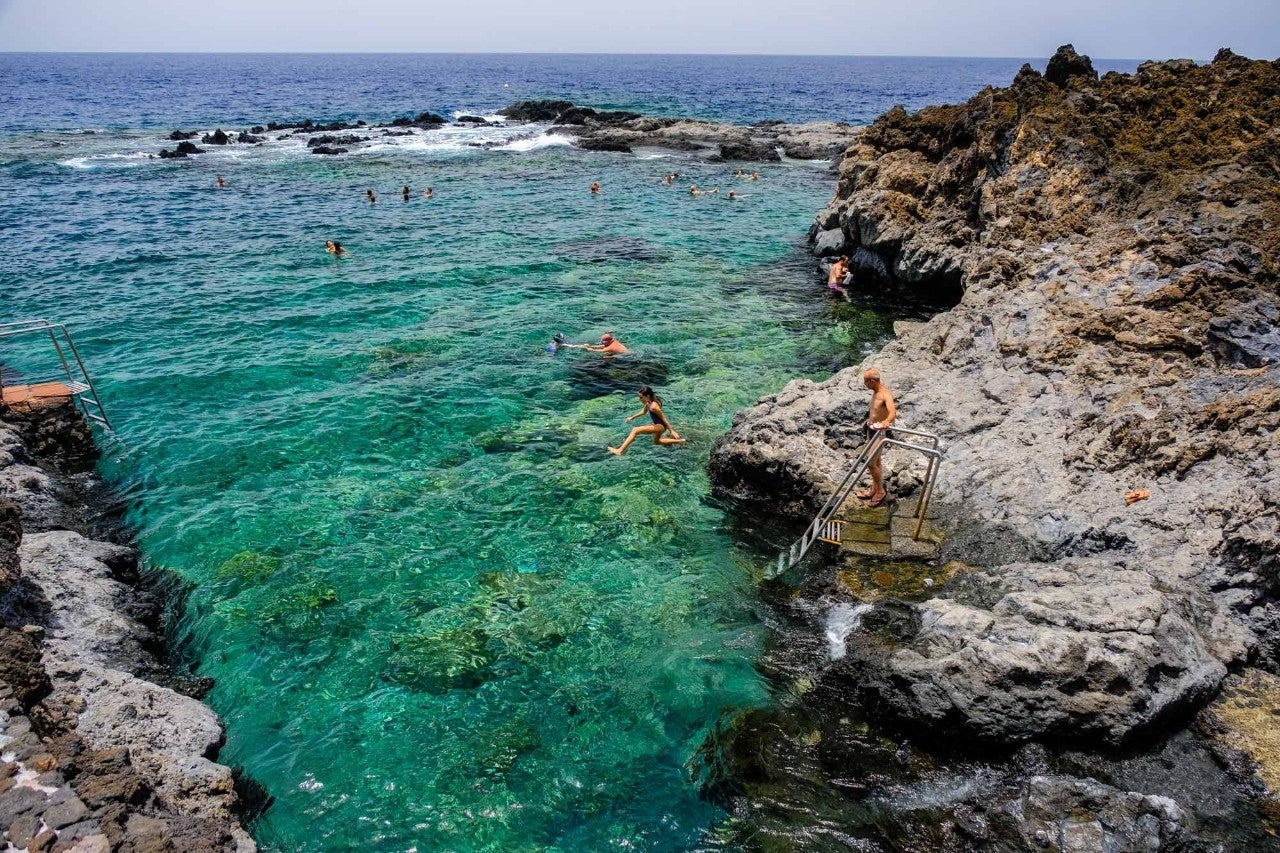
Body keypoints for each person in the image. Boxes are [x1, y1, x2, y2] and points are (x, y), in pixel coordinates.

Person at [609, 385, 686, 455]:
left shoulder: (654, 406)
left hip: (660, 426)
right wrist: (632, 417)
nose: (639, 399)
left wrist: (671, 430)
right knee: (657, 442)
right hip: (658, 425)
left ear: (647, 396)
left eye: (641, 397)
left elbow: (663, 417)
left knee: (635, 430)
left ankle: (620, 451)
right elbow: (643, 412)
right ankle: (680, 441)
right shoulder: (648, 403)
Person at [859, 368, 897, 507]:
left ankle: (880, 491)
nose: (864, 384)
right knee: (877, 461)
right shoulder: (875, 392)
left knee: (870, 463)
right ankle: (874, 488)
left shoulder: (885, 394)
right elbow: (875, 411)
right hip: (871, 430)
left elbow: (892, 412)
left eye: (865, 381)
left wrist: (887, 421)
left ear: (872, 381)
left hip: (880, 433)